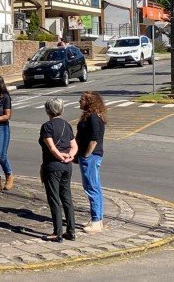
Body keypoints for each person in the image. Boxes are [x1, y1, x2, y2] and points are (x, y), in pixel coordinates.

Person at [39, 98, 78, 242]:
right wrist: (69, 156)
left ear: (48, 110)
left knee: (54, 198)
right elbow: (74, 146)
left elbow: (51, 147)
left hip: (53, 165)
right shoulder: (67, 125)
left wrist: (60, 156)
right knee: (67, 198)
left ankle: (58, 232)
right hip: (67, 166)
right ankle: (71, 231)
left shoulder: (47, 126)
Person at [76, 91, 107, 234]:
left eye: (82, 99)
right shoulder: (92, 116)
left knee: (91, 187)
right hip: (91, 156)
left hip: (92, 156)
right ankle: (98, 220)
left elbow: (94, 139)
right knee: (95, 187)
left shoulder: (93, 118)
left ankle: (96, 221)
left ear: (89, 102)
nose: (79, 102)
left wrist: (86, 155)